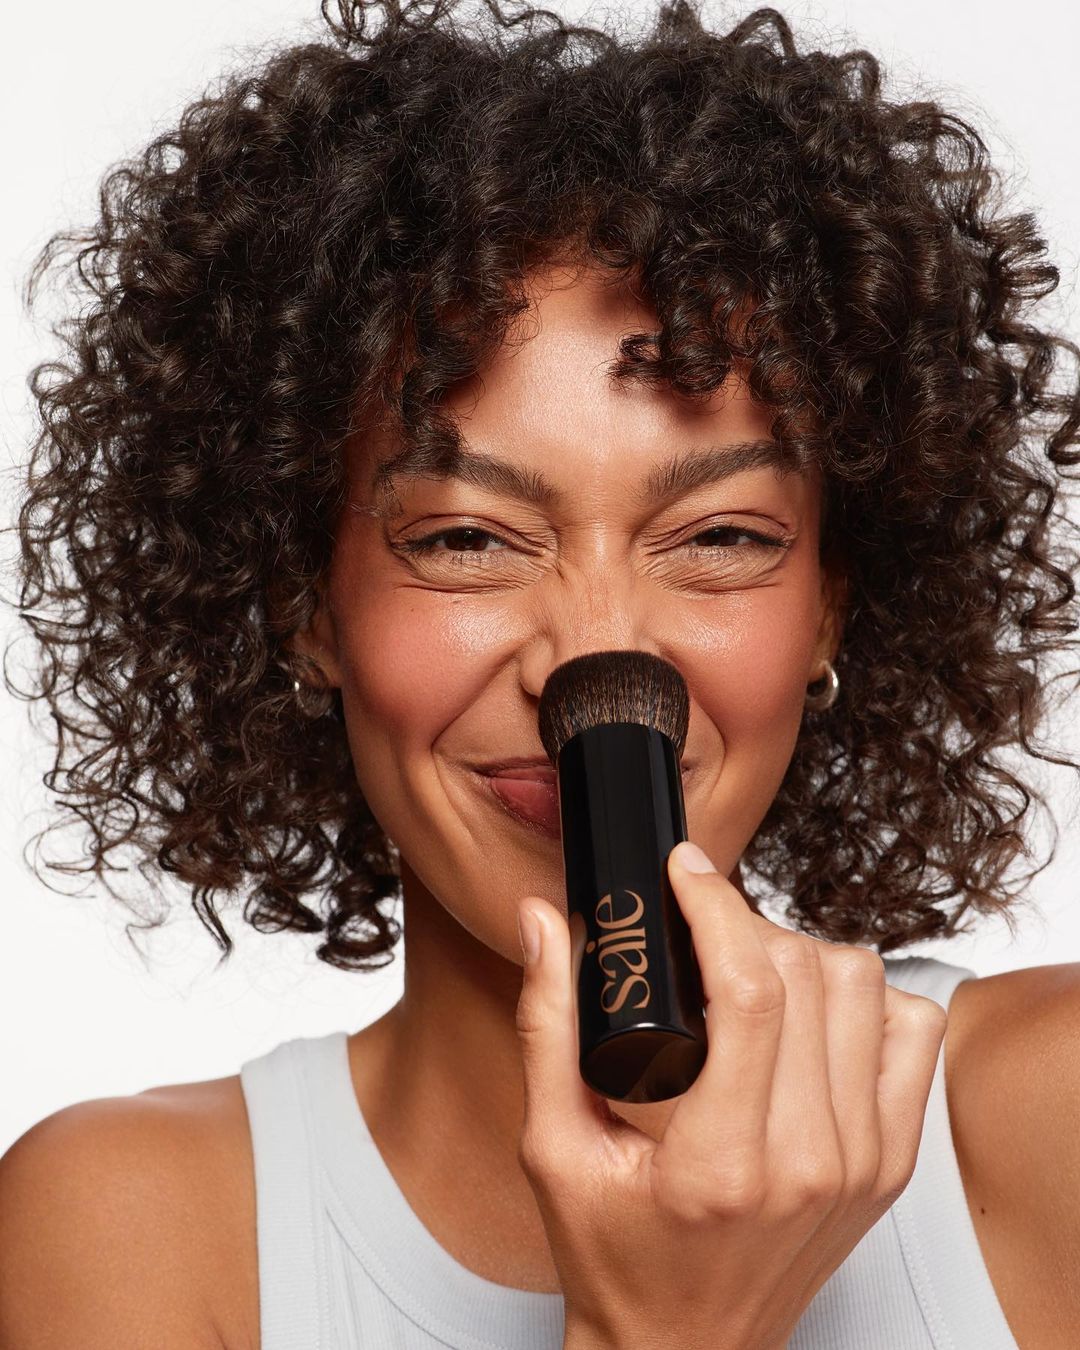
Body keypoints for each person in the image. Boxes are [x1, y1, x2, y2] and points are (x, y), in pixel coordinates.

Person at [1, 0, 1078, 1344]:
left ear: (830, 614)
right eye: (466, 538)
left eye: (720, 537)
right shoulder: (129, 1234)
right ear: (303, 607)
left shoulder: (1047, 1126)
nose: (594, 657)